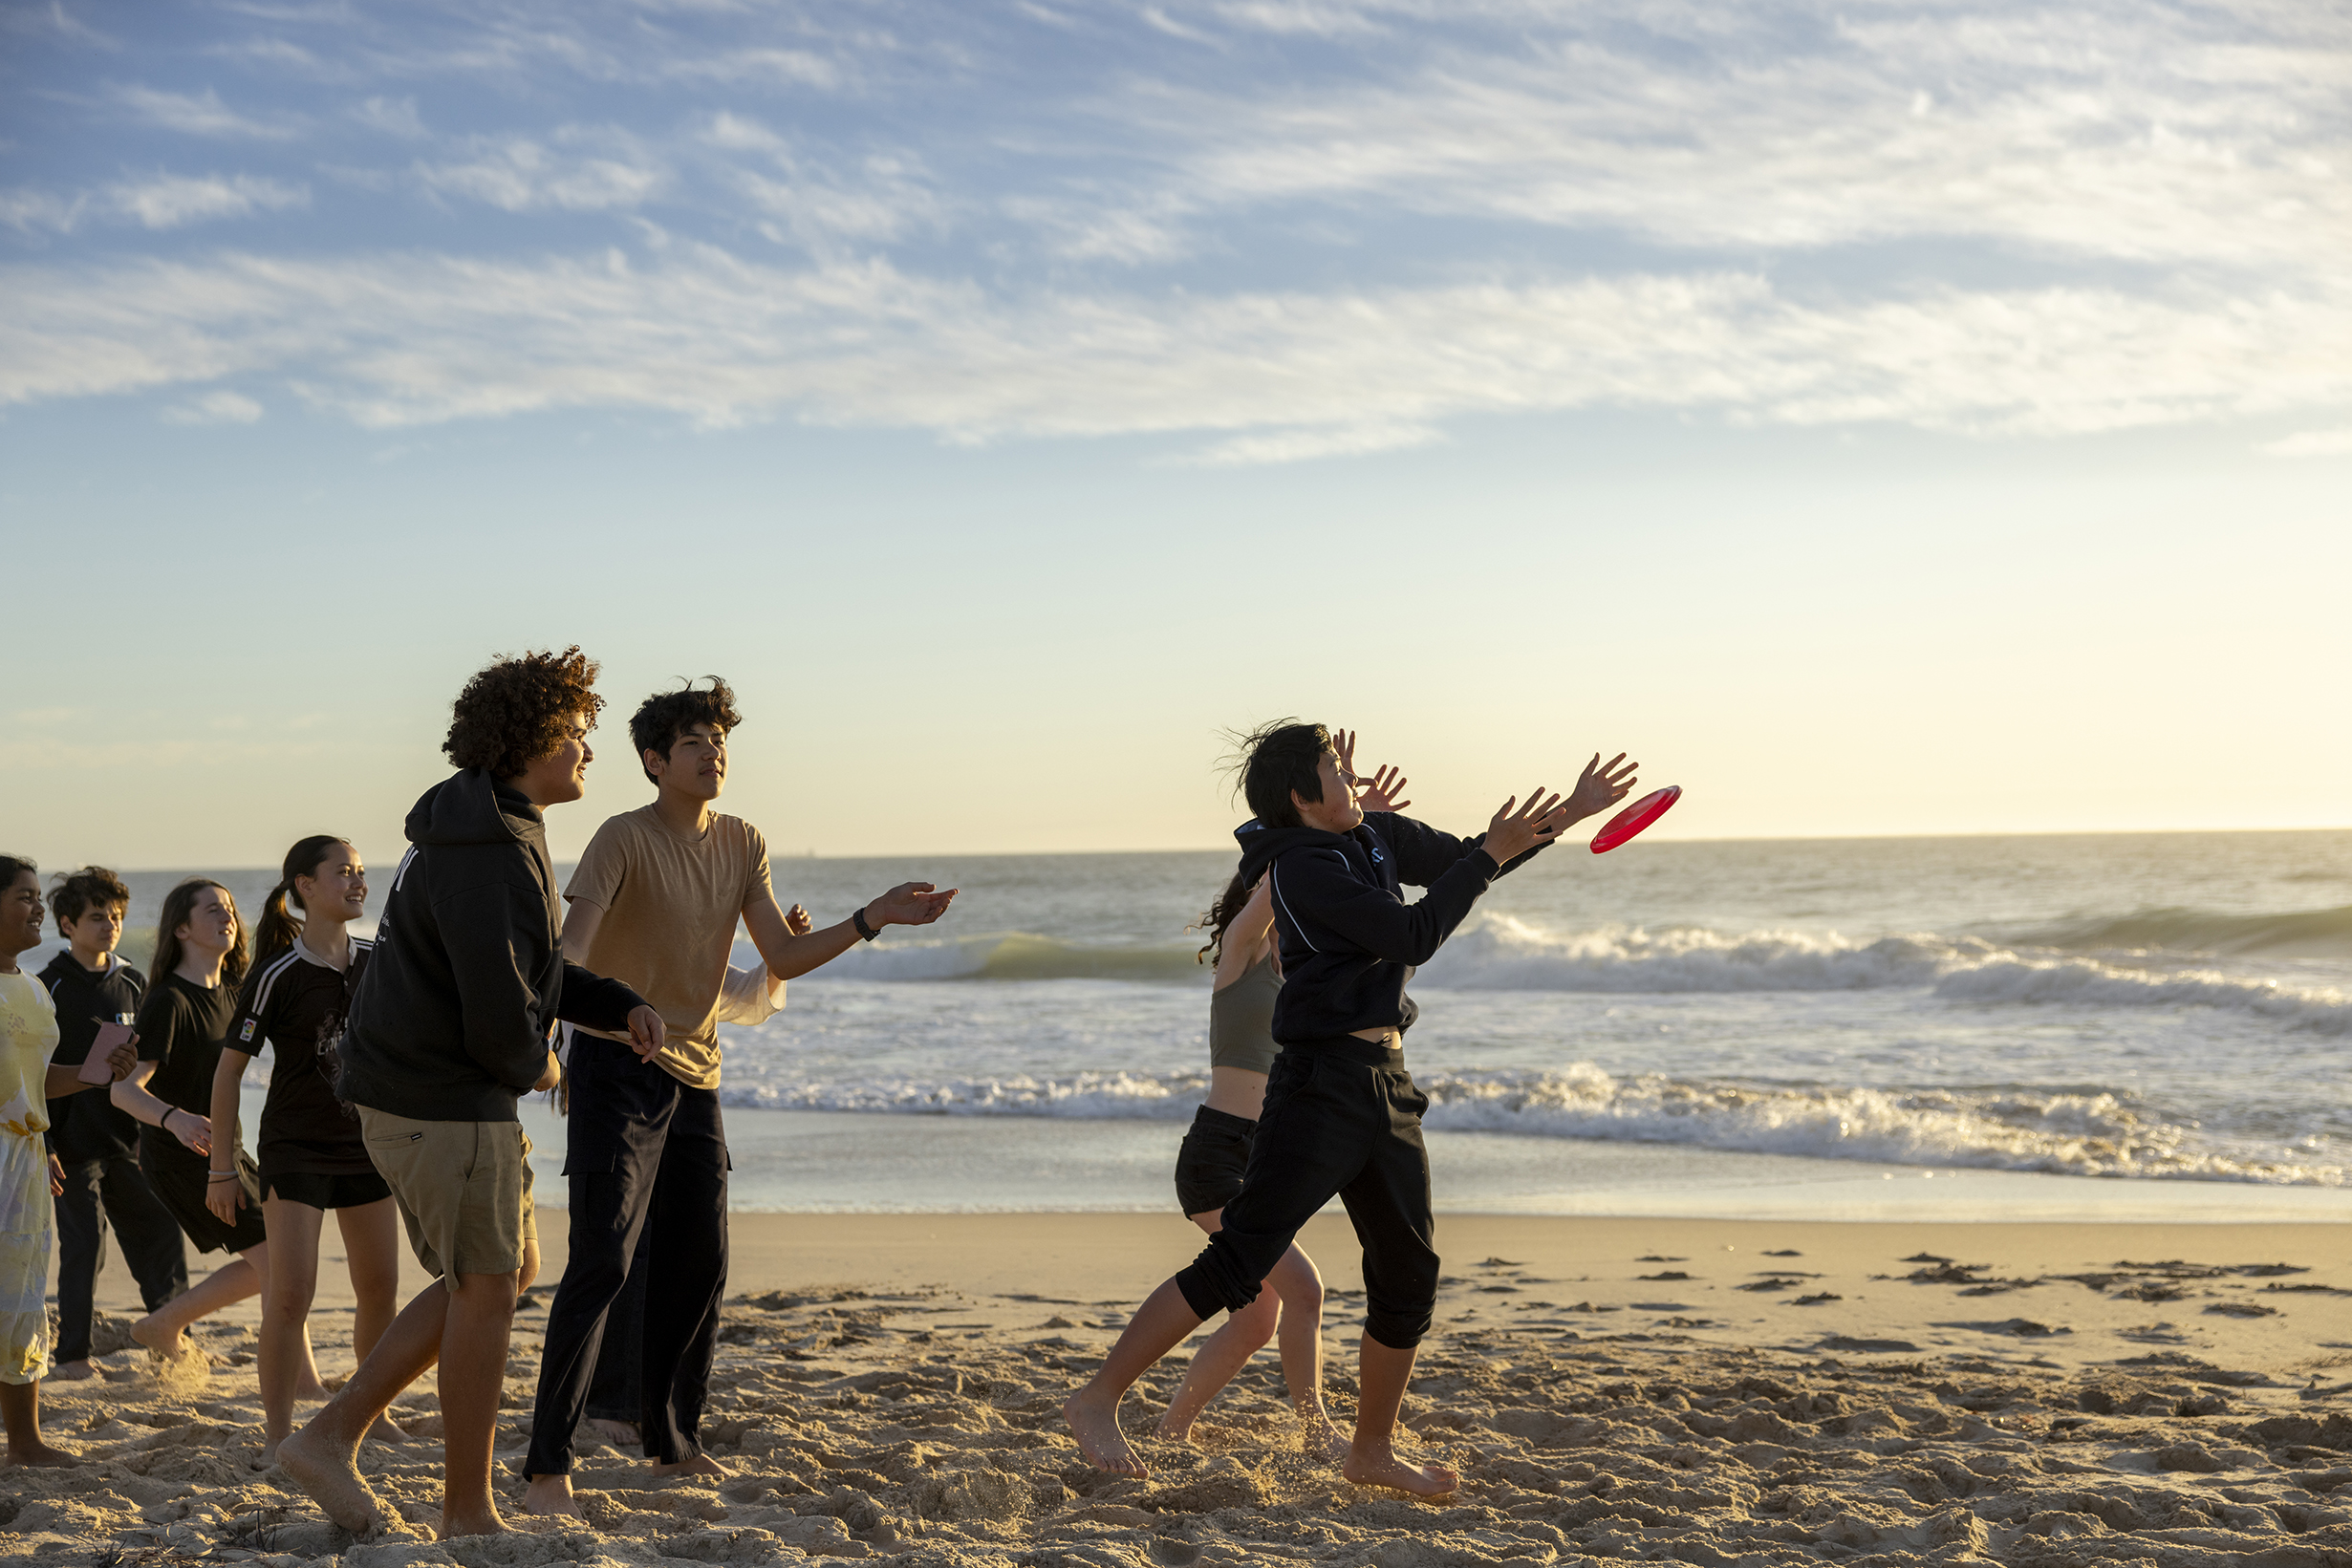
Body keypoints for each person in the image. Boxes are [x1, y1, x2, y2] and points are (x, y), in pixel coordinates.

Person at [1064, 722, 1635, 1493]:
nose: (1349, 775)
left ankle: (1370, 1449)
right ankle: (1098, 1397)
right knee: (1242, 1259)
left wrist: (1569, 810)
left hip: (1386, 1081)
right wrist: (1487, 857)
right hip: (1317, 1084)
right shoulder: (1301, 866)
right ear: (1302, 798)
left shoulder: (1373, 835)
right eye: (1332, 768)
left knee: (1408, 1275)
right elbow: (1415, 931)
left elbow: (1470, 851)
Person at [523, 677, 958, 1517]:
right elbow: (567, 953)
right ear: (654, 761)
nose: (713, 752)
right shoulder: (620, 839)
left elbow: (782, 959)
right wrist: (596, 1020)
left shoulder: (742, 841)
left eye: (719, 741)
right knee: (604, 1260)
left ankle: (671, 1442)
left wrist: (873, 917)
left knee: (701, 1264)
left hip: (696, 1073)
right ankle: (548, 1467)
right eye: (694, 742)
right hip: (616, 1065)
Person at [280, 646, 667, 1543]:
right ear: (533, 737)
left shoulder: (488, 823)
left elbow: (526, 968)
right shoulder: (487, 848)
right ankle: (463, 1510)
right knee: (487, 1288)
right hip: (438, 1097)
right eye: (576, 731)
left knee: (495, 1278)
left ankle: (329, 1433)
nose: (587, 748)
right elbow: (500, 1013)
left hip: (428, 1091)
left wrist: (617, 1005)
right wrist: (543, 1061)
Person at [1156, 732, 1407, 1458]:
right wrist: (1338, 817)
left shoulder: (1309, 978)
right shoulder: (1237, 958)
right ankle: (1315, 1430)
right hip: (1216, 1155)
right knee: (1300, 1292)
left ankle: (1173, 1430)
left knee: (1261, 1312)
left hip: (1260, 1151)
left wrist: (1366, 833)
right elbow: (1275, 888)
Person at [206, 836, 400, 1465]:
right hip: (295, 1152)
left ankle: (372, 1416)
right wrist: (222, 1167)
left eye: (362, 872)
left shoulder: (380, 959)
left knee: (380, 1289)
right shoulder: (276, 973)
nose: (357, 880)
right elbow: (229, 1072)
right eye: (342, 871)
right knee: (291, 1296)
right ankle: (276, 1433)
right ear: (304, 885)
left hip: (368, 1147)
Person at [573, 956, 798, 1451]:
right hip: (619, 1075)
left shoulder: (697, 929)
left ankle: (656, 1412)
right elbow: (575, 972)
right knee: (623, 1253)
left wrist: (780, 960)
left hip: (690, 1089)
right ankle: (612, 1403)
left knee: (685, 1257)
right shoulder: (630, 903)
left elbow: (738, 995)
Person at [111, 878, 312, 1375]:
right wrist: (173, 1118)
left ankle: (164, 1324)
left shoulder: (231, 995)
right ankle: (301, 1380)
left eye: (229, 908)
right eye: (211, 910)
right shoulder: (169, 1003)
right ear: (181, 928)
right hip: (181, 1155)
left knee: (276, 1262)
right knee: (278, 1265)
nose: (227, 916)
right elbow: (122, 1089)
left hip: (228, 1150)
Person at [0, 853, 140, 1466]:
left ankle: (26, 1443)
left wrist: (93, 1075)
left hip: (24, 1156)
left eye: (37, 897)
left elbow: (34, 1079)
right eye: (24, 897)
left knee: (22, 1293)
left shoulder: (31, 988)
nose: (37, 909)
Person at [37, 866, 187, 1382]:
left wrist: (158, 1131)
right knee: (86, 1248)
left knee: (161, 1232)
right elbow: (33, 1074)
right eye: (98, 916)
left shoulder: (133, 982)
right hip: (70, 1147)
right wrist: (46, 1142)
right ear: (66, 923)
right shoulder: (47, 986)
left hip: (128, 1141)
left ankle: (172, 1341)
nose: (110, 925)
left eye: (117, 916)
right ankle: (73, 1357)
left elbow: (149, 1066)